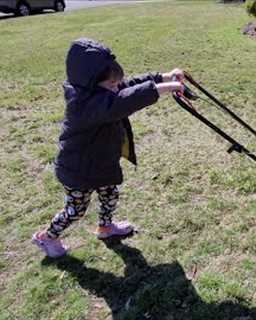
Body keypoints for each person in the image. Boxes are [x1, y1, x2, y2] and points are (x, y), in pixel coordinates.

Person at [32, 38, 184, 258]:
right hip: (78, 171)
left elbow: (127, 87)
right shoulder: (84, 105)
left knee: (110, 195)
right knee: (75, 211)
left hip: (102, 163)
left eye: (115, 84)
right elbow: (123, 101)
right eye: (111, 84)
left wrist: (164, 76)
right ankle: (47, 237)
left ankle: (105, 228)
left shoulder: (101, 90)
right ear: (92, 83)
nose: (116, 87)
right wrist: (162, 88)